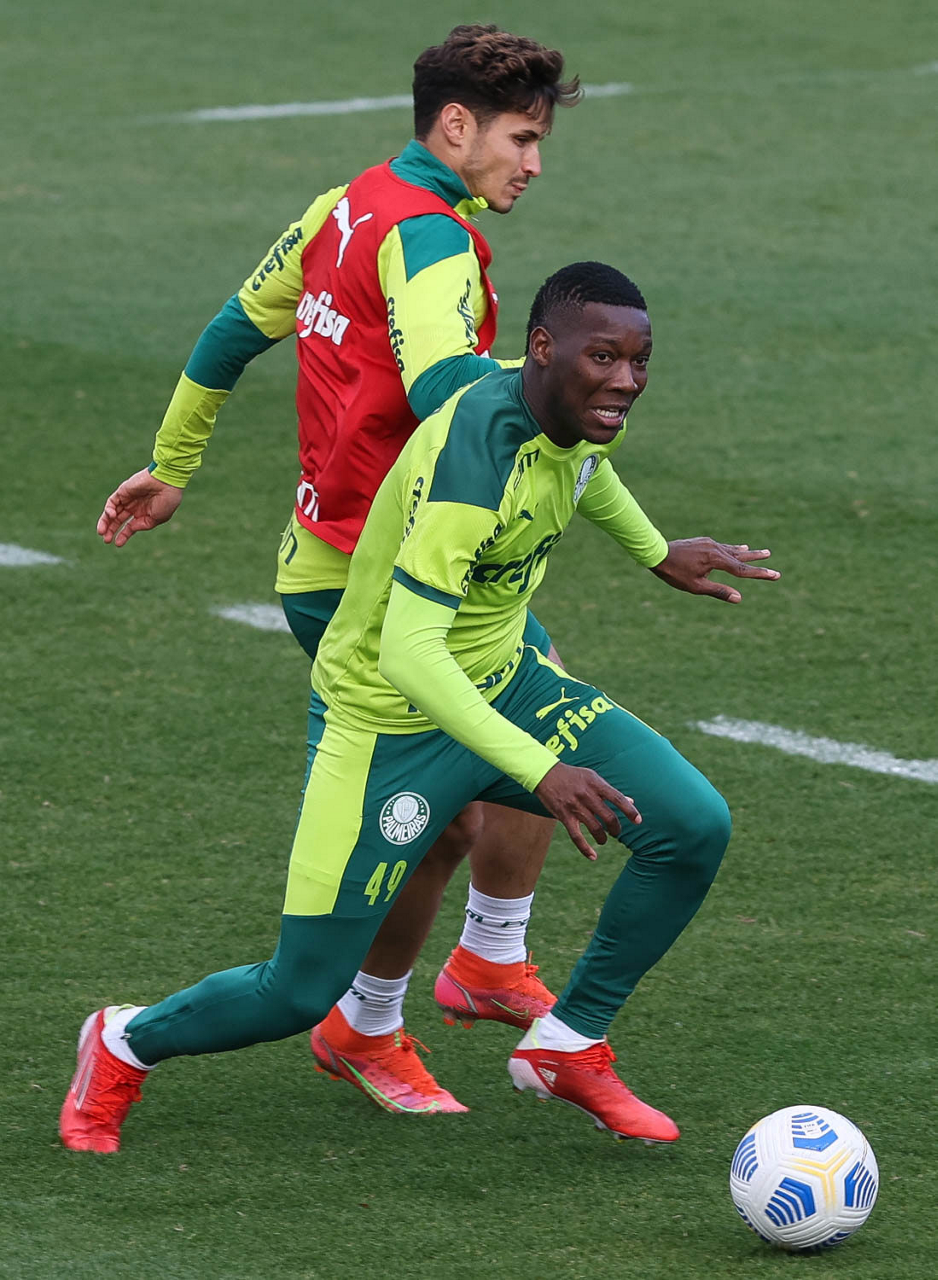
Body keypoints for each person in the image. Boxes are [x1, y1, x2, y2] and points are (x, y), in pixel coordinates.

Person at [62, 260, 780, 1154]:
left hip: (507, 683)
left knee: (692, 825)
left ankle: (567, 1044)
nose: (626, 382)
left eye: (639, 361)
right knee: (296, 991)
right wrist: (541, 771)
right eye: (605, 358)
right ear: (543, 349)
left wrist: (654, 549)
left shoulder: (573, 409)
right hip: (387, 722)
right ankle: (123, 1041)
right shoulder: (475, 459)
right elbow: (408, 653)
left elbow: (581, 467)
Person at [95, 25, 584, 1113]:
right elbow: (443, 385)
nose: (533, 164)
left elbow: (230, 331)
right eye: (521, 138)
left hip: (337, 561)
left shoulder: (344, 205)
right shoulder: (430, 241)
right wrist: (563, 378)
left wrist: (171, 463)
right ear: (454, 126)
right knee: (469, 781)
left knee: (499, 753)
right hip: (372, 585)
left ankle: (461, 971)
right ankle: (373, 1013)